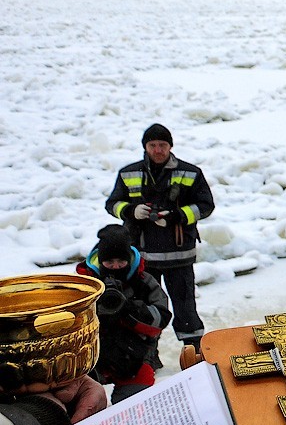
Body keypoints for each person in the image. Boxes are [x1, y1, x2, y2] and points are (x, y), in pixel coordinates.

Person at [106, 124, 213, 353]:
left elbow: (206, 205)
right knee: (144, 309)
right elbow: (112, 204)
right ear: (145, 146)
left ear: (170, 146)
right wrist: (131, 211)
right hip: (143, 258)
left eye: (162, 145)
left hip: (179, 256)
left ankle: (194, 353)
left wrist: (178, 216)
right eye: (152, 145)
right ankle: (147, 356)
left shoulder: (190, 172)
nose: (157, 150)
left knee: (185, 308)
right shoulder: (128, 173)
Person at [76, 224, 172, 402]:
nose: (115, 267)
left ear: (129, 259)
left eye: (121, 262)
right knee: (80, 403)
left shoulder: (144, 282)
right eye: (109, 262)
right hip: (91, 358)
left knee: (134, 406)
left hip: (134, 356)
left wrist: (129, 310)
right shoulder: (85, 284)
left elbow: (161, 318)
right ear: (100, 261)